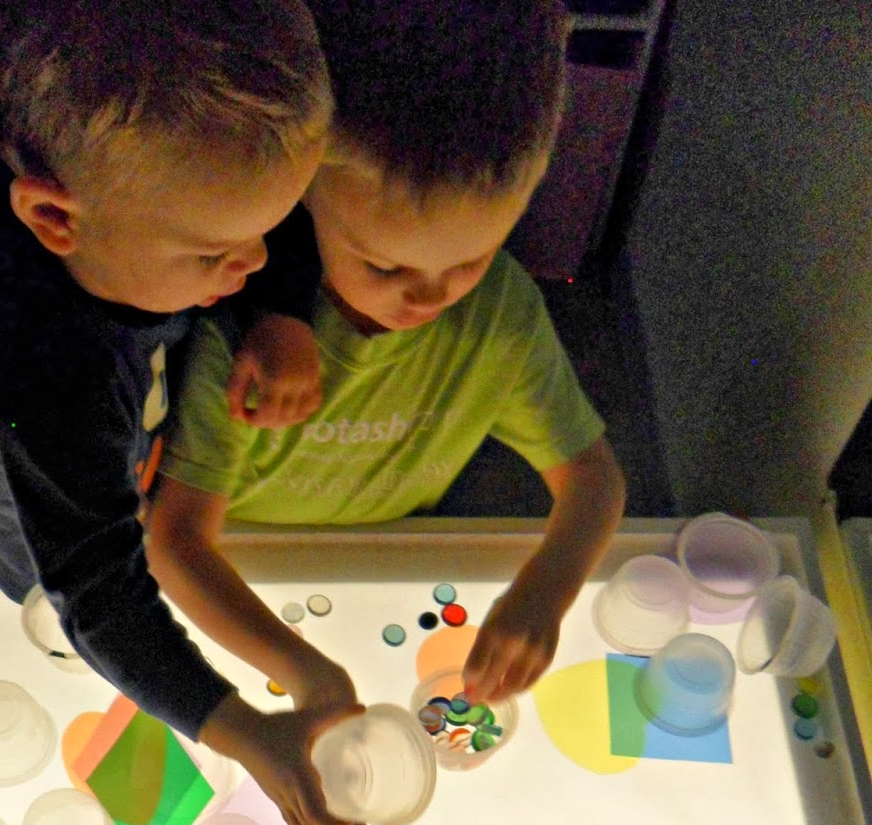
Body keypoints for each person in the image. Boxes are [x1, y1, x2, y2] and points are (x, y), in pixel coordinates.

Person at [0, 0, 364, 825]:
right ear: (55, 220)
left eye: (269, 229)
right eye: (215, 255)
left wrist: (278, 312)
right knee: (53, 569)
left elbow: (251, 236)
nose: (249, 264)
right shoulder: (38, 360)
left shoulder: (143, 219)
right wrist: (247, 732)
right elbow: (98, 588)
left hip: (109, 398)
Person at [145, 0, 627, 717]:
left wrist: (543, 593)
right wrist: (308, 674)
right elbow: (175, 543)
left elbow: (592, 478)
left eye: (469, 259)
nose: (426, 299)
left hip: (396, 560)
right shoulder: (244, 335)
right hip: (243, 574)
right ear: (302, 201)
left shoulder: (501, 315)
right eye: (383, 267)